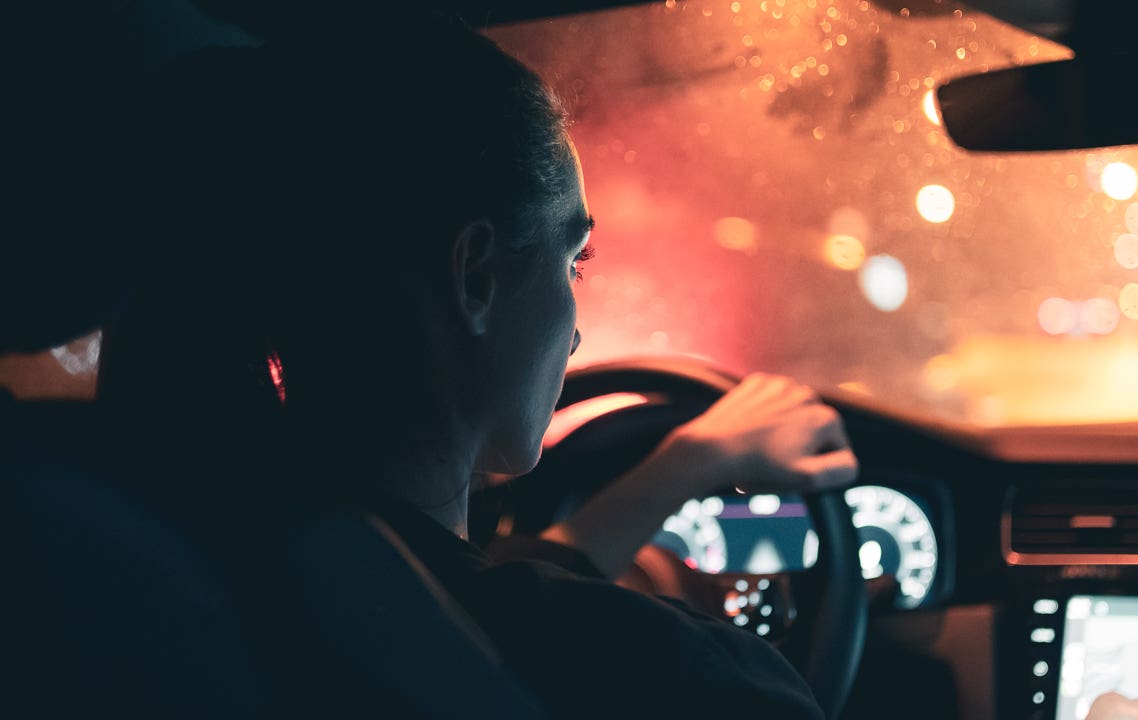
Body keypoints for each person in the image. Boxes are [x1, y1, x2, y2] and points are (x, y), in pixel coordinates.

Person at [95, 9, 859, 718]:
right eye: (575, 262)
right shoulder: (685, 675)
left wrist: (681, 467)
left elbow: (441, 588)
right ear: (476, 278)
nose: (575, 336)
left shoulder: (153, 551)